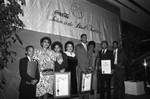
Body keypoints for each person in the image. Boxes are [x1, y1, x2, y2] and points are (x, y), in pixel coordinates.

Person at [75, 34, 90, 99]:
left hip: (87, 69)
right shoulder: (78, 46)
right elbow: (77, 58)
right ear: (81, 39)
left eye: (85, 38)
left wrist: (89, 66)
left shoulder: (88, 47)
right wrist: (82, 68)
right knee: (80, 85)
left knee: (86, 85)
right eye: (83, 37)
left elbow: (88, 58)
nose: (85, 39)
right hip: (80, 69)